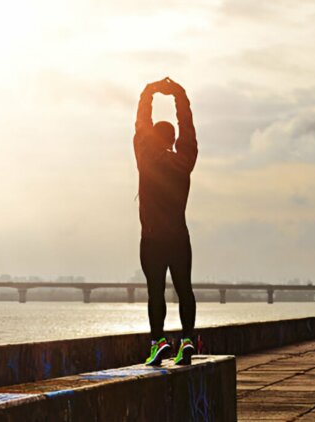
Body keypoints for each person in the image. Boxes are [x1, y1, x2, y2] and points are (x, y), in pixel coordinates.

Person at [133, 77, 198, 366]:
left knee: (155, 291)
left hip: (152, 237)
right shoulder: (185, 160)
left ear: (151, 139)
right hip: (179, 236)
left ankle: (157, 341)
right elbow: (188, 127)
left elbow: (141, 124)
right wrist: (179, 95)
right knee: (184, 288)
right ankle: (187, 340)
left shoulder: (146, 157)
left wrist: (149, 92)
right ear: (173, 141)